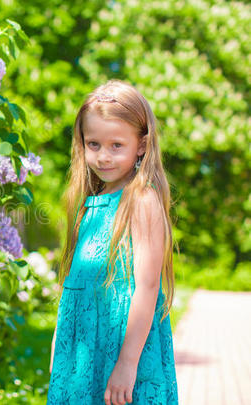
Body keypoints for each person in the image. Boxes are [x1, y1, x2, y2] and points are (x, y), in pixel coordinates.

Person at [46, 79, 178, 405]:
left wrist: (127, 364)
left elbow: (147, 287)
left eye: (116, 145)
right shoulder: (88, 204)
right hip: (80, 360)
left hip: (122, 355)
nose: (103, 156)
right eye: (94, 144)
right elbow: (73, 292)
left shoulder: (141, 200)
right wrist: (58, 350)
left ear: (142, 145)